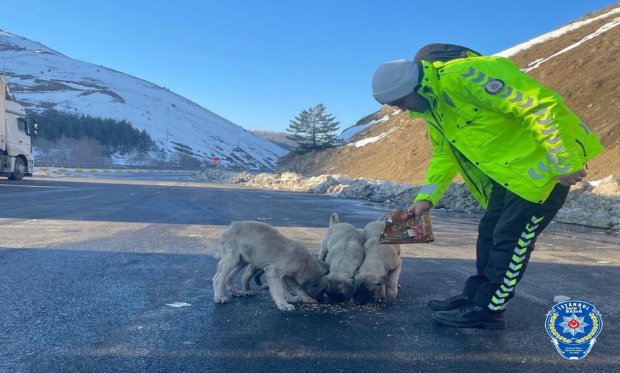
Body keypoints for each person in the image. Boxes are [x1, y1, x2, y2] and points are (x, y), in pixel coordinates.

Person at [371, 44, 604, 329]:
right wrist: (426, 198)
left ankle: (490, 308)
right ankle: (475, 296)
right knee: (489, 233)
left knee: (511, 240)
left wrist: (564, 161)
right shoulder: (435, 108)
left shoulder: (467, 75)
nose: (401, 110)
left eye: (400, 102)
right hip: (508, 175)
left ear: (413, 85)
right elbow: (445, 154)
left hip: (544, 172)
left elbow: (538, 106)